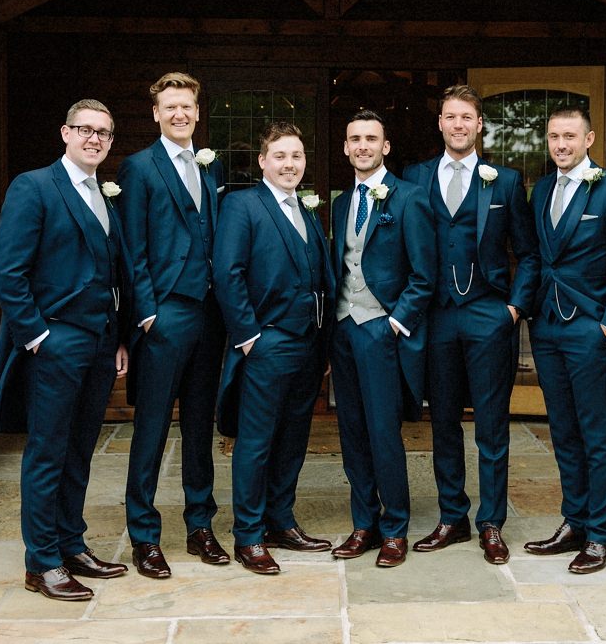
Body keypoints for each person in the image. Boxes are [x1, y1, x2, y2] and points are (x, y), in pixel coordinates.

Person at [0, 99, 132, 602]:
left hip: (97, 345)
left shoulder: (102, 196)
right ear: (65, 133)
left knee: (79, 450)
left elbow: (110, 275)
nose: (94, 139)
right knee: (47, 452)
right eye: (85, 130)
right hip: (55, 341)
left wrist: (115, 339)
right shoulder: (34, 187)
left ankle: (72, 544)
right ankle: (42, 562)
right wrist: (37, 336)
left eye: (104, 133)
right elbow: (8, 271)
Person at [402, 85, 538, 565]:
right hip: (436, 317)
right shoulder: (413, 178)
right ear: (439, 123)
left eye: (467, 118)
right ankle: (451, 516)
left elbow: (528, 252)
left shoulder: (503, 181)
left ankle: (492, 522)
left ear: (480, 126)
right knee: (442, 423)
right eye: (450, 117)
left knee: (492, 425)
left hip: (488, 315)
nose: (458, 125)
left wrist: (513, 309)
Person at [523, 106, 606, 574]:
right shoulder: (541, 192)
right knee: (563, 430)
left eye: (570, 136)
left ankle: (600, 535)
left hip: (592, 329)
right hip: (549, 328)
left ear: (589, 138)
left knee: (596, 433)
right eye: (554, 136)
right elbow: (538, 258)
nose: (561, 145)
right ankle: (573, 521)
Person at [117, 72, 229, 579]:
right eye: (171, 108)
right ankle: (143, 534)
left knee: (200, 426)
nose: (180, 114)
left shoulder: (211, 166)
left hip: (209, 316)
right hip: (166, 314)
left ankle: (200, 524)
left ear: (197, 113)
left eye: (187, 106)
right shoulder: (140, 168)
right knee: (153, 428)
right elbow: (133, 246)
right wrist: (147, 313)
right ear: (157, 114)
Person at [212, 120, 336, 575]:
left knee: (293, 439)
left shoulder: (305, 211)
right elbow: (228, 273)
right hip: (265, 342)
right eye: (280, 156)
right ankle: (248, 534)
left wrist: (322, 346)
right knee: (257, 441)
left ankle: (281, 520)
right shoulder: (242, 205)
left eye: (296, 156)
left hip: (307, 345)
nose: (289, 164)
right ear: (263, 161)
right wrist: (249, 339)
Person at [328, 111, 436, 568]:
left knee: (383, 433)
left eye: (371, 138)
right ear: (346, 148)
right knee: (351, 433)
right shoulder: (337, 204)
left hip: (380, 330)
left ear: (386, 147)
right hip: (342, 329)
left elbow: (424, 275)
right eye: (355, 139)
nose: (363, 146)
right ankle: (363, 524)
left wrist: (394, 323)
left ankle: (395, 528)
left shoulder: (410, 199)